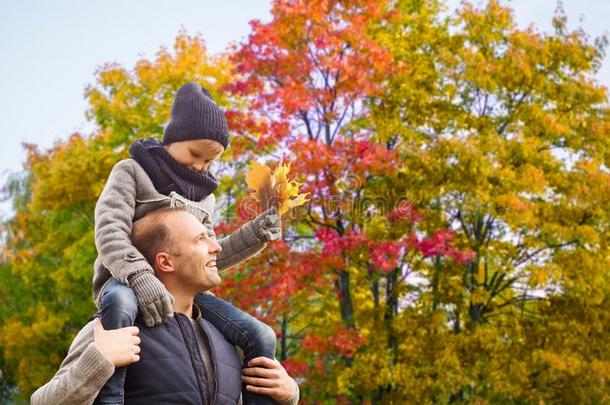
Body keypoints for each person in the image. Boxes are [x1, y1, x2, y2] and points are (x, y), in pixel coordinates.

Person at [92, 82, 282, 404]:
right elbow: (109, 229)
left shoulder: (205, 198)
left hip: (183, 289)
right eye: (196, 154)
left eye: (210, 162)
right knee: (121, 306)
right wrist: (140, 276)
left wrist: (255, 234)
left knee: (260, 334)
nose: (200, 166)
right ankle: (111, 397)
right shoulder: (133, 172)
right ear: (174, 139)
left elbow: (205, 256)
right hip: (124, 278)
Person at [31, 208, 299, 405]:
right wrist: (99, 361)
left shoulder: (226, 337)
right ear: (165, 262)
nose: (217, 247)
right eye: (200, 240)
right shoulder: (113, 331)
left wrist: (288, 394)